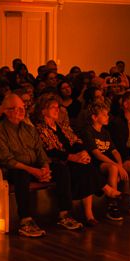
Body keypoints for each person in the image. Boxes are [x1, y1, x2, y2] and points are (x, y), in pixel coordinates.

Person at [0, 93, 52, 235]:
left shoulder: (29, 129)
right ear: (7, 111)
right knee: (22, 174)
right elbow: (6, 160)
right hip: (13, 170)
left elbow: (40, 152)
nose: (22, 111)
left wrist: (45, 168)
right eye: (17, 108)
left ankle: (64, 214)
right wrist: (33, 170)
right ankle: (25, 220)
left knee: (61, 169)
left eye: (23, 108)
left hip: (34, 168)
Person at [33, 94, 101, 228]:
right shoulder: (39, 128)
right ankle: (104, 189)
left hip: (70, 159)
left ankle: (89, 214)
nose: (57, 110)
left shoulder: (61, 125)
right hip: (54, 162)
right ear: (43, 111)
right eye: (53, 107)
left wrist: (82, 152)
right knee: (78, 168)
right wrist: (72, 157)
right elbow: (49, 150)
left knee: (86, 163)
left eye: (57, 107)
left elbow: (76, 140)